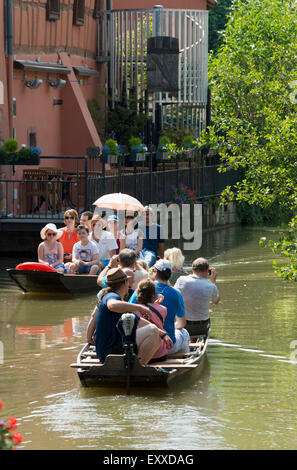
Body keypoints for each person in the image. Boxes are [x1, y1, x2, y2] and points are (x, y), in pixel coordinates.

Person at [95, 267, 170, 365]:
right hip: (110, 351)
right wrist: (140, 308)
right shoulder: (112, 296)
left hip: (110, 349)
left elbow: (140, 322)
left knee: (154, 331)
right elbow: (112, 305)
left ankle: (137, 366)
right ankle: (138, 368)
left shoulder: (122, 303)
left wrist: (164, 334)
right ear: (125, 283)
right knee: (153, 331)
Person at [129, 259, 190, 355]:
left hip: (143, 345)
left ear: (155, 273)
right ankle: (184, 359)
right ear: (169, 275)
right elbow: (181, 323)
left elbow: (129, 313)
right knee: (184, 332)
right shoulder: (176, 294)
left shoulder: (140, 290)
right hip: (168, 346)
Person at [174, 257, 220, 337]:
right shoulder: (211, 286)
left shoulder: (181, 280)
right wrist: (213, 281)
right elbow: (216, 301)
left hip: (184, 325)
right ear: (207, 271)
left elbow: (174, 297)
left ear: (192, 270)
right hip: (202, 327)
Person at [136, 278, 173, 362]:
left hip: (145, 353)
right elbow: (154, 313)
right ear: (154, 294)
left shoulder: (135, 310)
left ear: (138, 292)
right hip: (160, 354)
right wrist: (156, 304)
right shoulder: (163, 309)